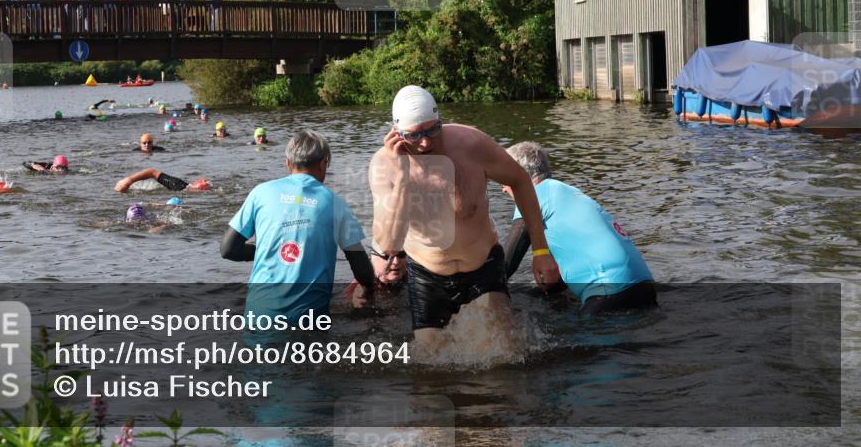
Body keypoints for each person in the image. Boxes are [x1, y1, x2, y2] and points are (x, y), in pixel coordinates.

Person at [369, 85, 555, 344]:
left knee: (503, 356)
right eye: (414, 136)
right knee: (430, 369)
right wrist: (402, 176)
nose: (424, 142)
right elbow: (388, 244)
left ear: (441, 121)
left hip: (482, 268)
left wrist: (541, 251)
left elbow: (521, 180)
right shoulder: (383, 166)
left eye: (433, 130)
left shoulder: (471, 144)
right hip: (426, 276)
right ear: (396, 134)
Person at [220, 130, 375, 320]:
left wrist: (267, 250)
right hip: (309, 319)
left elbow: (228, 249)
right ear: (323, 163)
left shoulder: (260, 193)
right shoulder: (337, 204)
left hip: (260, 314)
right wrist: (368, 289)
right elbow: (360, 267)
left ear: (287, 162)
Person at [502, 142, 656, 313]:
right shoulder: (567, 192)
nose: (503, 188)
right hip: (645, 287)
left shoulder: (533, 195)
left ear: (519, 176)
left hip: (610, 292)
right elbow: (559, 280)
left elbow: (507, 263)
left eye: (504, 178)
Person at [115, 168, 211, 193]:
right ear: (197, 182)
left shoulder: (183, 189)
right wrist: (129, 180)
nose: (205, 182)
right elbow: (152, 172)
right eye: (204, 181)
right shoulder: (179, 185)